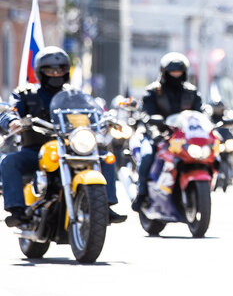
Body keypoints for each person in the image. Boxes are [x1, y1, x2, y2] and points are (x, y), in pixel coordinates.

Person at [0, 47, 126, 226]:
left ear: (67, 71)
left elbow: (93, 111)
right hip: (37, 150)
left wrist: (106, 118)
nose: (55, 73)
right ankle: (17, 211)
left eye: (60, 70)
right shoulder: (26, 94)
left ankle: (104, 206)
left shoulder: (75, 95)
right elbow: (9, 111)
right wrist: (12, 120)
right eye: (50, 70)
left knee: (105, 157)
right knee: (9, 162)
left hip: (72, 146)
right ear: (40, 72)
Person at [131, 52, 202, 211]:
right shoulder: (153, 91)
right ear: (164, 72)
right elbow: (146, 115)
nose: (175, 75)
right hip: (157, 134)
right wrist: (155, 131)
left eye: (179, 72)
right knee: (148, 155)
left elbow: (200, 115)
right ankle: (141, 194)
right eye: (172, 72)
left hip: (183, 137)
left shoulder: (191, 91)